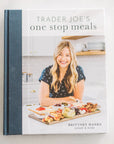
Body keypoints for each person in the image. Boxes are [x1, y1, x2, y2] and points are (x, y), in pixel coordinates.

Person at [39, 41, 86, 106]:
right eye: (60, 54)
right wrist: (68, 99)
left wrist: (51, 101)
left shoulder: (77, 71)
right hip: (50, 111)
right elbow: (43, 101)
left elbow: (77, 101)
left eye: (67, 55)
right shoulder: (47, 71)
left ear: (72, 57)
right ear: (56, 55)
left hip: (69, 112)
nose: (63, 59)